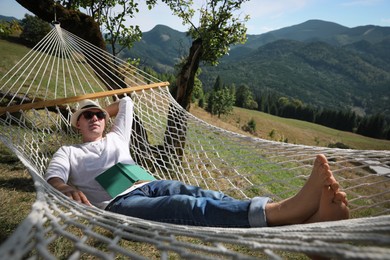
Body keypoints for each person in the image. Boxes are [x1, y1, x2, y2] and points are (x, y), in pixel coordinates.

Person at [45, 96, 349, 228]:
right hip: (119, 202)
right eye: (88, 115)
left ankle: (300, 222)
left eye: (99, 115)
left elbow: (126, 103)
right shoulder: (69, 152)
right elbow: (53, 178)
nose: (96, 118)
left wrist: (99, 107)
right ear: (77, 124)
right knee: (184, 207)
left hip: (149, 183)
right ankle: (285, 211)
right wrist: (66, 188)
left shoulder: (116, 137)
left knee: (204, 195)